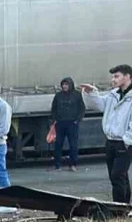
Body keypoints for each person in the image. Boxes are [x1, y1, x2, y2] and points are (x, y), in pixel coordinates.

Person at [82, 65, 132, 204]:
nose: (113, 80)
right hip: (111, 141)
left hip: (124, 143)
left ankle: (119, 208)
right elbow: (100, 105)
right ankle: (125, 206)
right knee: (118, 176)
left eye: (116, 76)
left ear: (128, 77)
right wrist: (90, 93)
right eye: (112, 77)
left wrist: (127, 139)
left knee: (118, 176)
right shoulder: (114, 94)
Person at [49, 77, 86, 171]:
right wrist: (54, 120)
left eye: (66, 84)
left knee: (73, 145)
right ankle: (57, 165)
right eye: (63, 84)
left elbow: (82, 108)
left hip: (72, 124)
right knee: (58, 144)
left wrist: (77, 120)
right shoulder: (58, 95)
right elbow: (54, 109)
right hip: (60, 123)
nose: (65, 86)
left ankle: (73, 164)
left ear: (70, 85)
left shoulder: (77, 95)